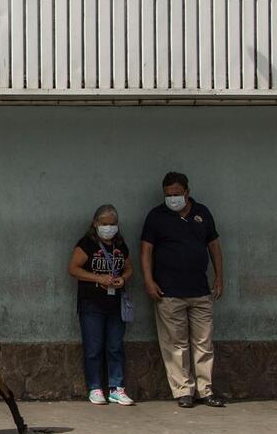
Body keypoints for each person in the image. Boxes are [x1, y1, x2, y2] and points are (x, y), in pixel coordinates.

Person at [140, 171, 226, 409]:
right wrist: (149, 280)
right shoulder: (156, 217)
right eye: (169, 195)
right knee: (176, 344)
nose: (173, 198)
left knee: (203, 342)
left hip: (200, 290)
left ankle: (205, 390)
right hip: (168, 292)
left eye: (177, 194)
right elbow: (146, 251)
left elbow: (214, 247)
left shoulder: (202, 213)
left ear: (187, 192)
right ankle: (183, 391)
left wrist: (219, 277)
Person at [67, 204, 135, 405]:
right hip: (92, 304)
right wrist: (97, 278)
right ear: (95, 224)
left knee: (115, 346)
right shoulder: (87, 244)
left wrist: (123, 279)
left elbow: (129, 268)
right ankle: (95, 387)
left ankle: (117, 387)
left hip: (115, 303)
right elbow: (73, 269)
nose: (109, 228)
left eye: (113, 224)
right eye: (105, 224)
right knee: (94, 347)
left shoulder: (119, 245)